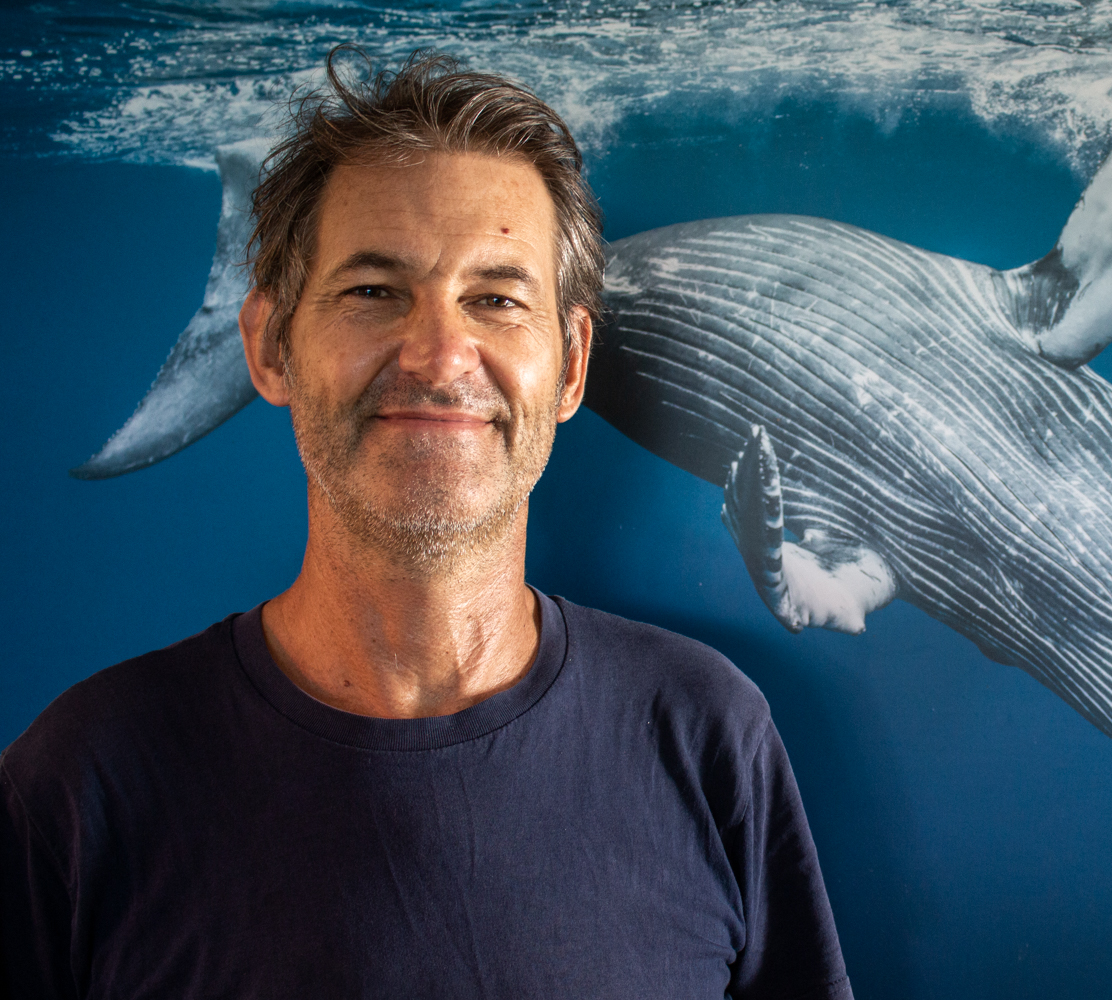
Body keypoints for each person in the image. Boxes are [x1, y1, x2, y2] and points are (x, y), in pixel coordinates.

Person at [0, 49, 852, 1000]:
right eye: (373, 292)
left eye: (496, 298)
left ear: (570, 366)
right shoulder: (83, 782)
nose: (441, 353)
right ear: (268, 347)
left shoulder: (704, 736)